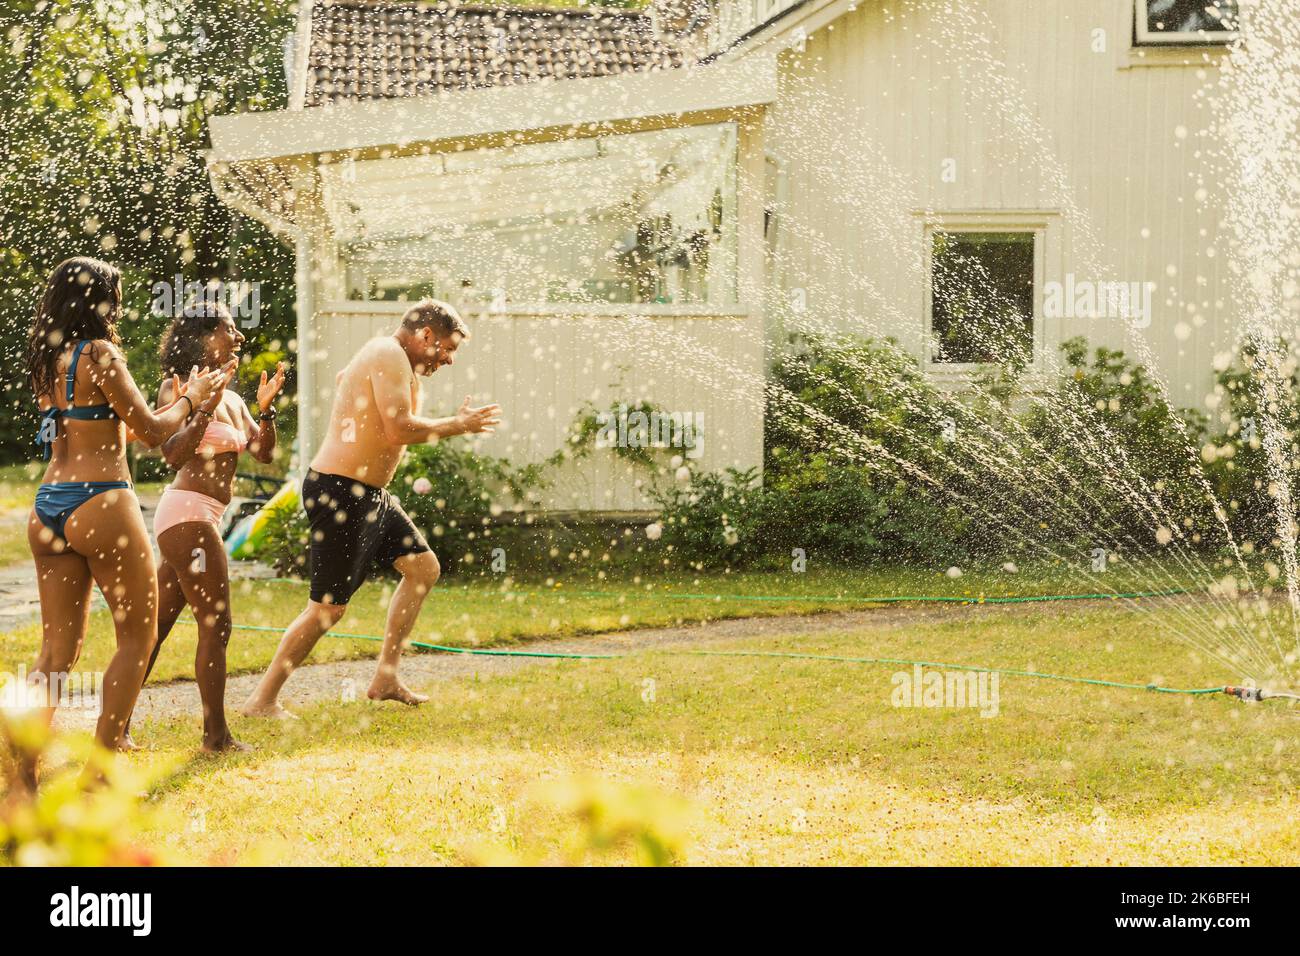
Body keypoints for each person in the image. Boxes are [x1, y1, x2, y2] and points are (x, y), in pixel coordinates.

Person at [21, 257, 227, 788]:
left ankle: (21, 775)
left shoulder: (47, 357)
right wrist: (192, 398)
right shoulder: (101, 354)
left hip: (49, 504)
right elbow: (157, 429)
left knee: (55, 652)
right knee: (136, 636)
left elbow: (81, 429)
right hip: (102, 501)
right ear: (100, 301)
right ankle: (98, 772)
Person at [241, 299, 500, 718]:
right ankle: (262, 699)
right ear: (426, 335)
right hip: (340, 491)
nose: (449, 360)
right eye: (447, 349)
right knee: (327, 609)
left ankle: (385, 677)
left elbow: (349, 377)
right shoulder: (386, 353)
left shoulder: (387, 357)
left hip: (369, 494)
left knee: (423, 568)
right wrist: (458, 424)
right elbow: (399, 426)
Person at [120, 301, 287, 753]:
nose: (239, 337)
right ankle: (216, 737)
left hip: (202, 516)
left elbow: (263, 453)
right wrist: (200, 408)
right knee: (217, 623)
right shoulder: (176, 388)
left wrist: (266, 410)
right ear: (203, 336)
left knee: (154, 627)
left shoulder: (232, 396)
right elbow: (172, 454)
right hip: (188, 515)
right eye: (229, 330)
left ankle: (116, 728)